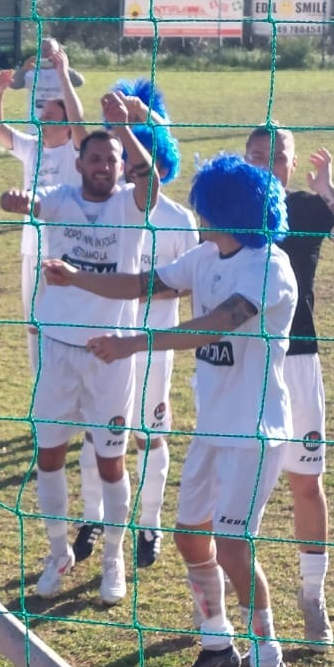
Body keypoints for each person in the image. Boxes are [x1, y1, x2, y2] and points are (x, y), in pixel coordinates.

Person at [43, 153, 297, 667]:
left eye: (205, 207)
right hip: (211, 429)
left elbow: (217, 324)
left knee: (233, 545)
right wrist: (74, 276)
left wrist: (132, 344)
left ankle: (269, 662)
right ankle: (217, 645)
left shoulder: (268, 267)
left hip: (255, 432)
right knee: (188, 537)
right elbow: (143, 283)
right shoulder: (205, 256)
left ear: (222, 210)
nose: (198, 215)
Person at [0, 91, 159, 607]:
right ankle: (57, 552)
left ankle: (113, 558)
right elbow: (29, 202)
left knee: (111, 461)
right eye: (95, 159)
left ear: (120, 167)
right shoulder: (60, 198)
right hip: (57, 349)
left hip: (109, 354)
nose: (103, 167)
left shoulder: (129, 205)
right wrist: (15, 201)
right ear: (79, 163)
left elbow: (150, 179)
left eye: (111, 160)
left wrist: (123, 128)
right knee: (49, 455)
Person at [246, 124, 334, 650]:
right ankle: (239, 609)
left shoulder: (305, 208)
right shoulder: (227, 209)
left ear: (291, 162)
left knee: (306, 482)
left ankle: (312, 597)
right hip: (244, 364)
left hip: (299, 361)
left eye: (276, 156)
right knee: (241, 488)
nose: (267, 164)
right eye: (257, 155)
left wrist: (328, 191)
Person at [121, 109, 200, 570]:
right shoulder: (113, 210)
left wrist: (145, 289)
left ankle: (149, 523)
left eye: (142, 164)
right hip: (107, 340)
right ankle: (98, 519)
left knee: (148, 436)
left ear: (161, 166)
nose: (132, 172)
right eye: (128, 163)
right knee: (101, 434)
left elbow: (191, 281)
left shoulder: (178, 219)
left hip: (154, 346)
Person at [0, 38, 87, 375]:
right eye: (41, 114)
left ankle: (70, 379)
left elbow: (79, 121)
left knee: (70, 321)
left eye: (50, 115)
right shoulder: (31, 147)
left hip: (70, 248)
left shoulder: (77, 151)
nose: (42, 118)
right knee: (34, 323)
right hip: (33, 248)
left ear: (66, 122)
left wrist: (63, 73)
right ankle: (40, 382)